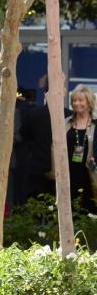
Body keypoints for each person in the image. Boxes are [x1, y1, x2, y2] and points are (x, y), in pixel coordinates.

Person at [64, 84, 97, 212]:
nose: (77, 103)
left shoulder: (96, 123)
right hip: (69, 174)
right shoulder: (66, 122)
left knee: (90, 209)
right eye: (74, 100)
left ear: (89, 102)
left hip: (90, 174)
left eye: (80, 100)